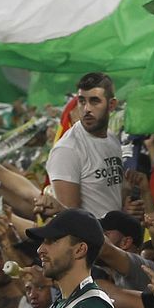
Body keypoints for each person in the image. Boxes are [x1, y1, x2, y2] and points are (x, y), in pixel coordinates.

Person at [46, 73, 124, 218]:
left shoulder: (112, 139)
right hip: (93, 239)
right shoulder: (67, 149)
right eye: (82, 101)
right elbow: (71, 218)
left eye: (94, 101)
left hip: (118, 236)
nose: (87, 109)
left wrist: (127, 211)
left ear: (111, 105)